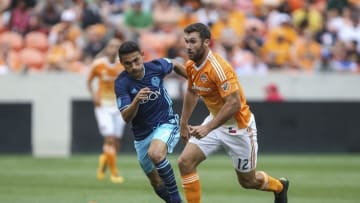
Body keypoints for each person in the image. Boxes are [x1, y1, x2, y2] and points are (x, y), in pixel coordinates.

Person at [178, 23, 289, 203]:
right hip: (215, 122)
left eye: (193, 42)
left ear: (206, 42)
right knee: (185, 162)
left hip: (239, 128)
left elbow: (234, 103)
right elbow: (192, 91)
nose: (188, 46)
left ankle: (279, 186)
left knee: (248, 181)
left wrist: (207, 128)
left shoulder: (219, 68)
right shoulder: (191, 66)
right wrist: (183, 123)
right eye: (186, 41)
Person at [114, 41, 187, 203]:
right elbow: (126, 117)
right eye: (128, 63)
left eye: (136, 61)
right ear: (121, 63)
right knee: (156, 182)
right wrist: (136, 101)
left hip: (166, 122)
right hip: (141, 135)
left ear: (142, 56)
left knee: (156, 154)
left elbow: (174, 64)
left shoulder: (156, 66)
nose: (133, 66)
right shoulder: (121, 83)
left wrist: (194, 81)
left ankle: (176, 200)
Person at [87, 38, 126, 184]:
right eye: (111, 46)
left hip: (119, 106)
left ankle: (104, 162)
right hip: (103, 105)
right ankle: (114, 173)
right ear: (106, 48)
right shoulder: (98, 64)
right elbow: (89, 81)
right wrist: (93, 96)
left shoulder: (122, 65)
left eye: (117, 46)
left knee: (116, 141)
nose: (114, 48)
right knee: (109, 138)